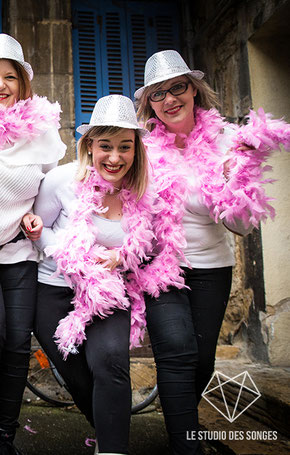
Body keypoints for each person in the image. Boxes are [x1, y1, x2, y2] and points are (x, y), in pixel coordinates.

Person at [134, 50, 290, 454]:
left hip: (211, 270)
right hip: (161, 268)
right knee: (176, 351)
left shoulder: (226, 142)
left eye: (177, 88)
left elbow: (240, 227)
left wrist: (232, 183)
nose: (169, 99)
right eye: (158, 93)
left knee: (201, 363)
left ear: (194, 90)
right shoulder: (144, 149)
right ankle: (185, 447)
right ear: (148, 103)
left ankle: (180, 426)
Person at [34, 95, 186, 455]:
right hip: (54, 288)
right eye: (105, 146)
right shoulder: (61, 181)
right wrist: (80, 256)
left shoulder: (146, 192)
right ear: (90, 145)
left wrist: (122, 256)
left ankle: (113, 449)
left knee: (111, 362)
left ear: (136, 150)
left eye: (124, 147)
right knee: (78, 376)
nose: (114, 157)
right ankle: (104, 427)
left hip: (110, 293)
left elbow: (149, 246)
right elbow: (37, 232)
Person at [0, 33, 66, 454]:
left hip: (20, 252)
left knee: (19, 342)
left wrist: (38, 219)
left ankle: (4, 436)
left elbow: (50, 193)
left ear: (22, 84)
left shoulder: (42, 135)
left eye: (9, 78)